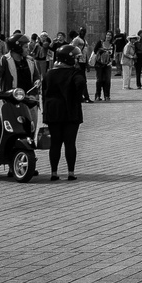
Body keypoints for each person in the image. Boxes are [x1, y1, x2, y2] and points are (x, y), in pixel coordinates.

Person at [41, 47, 84, 182]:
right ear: (69, 58)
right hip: (71, 113)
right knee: (70, 143)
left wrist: (45, 113)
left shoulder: (49, 74)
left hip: (53, 113)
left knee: (55, 144)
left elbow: (44, 94)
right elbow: (80, 85)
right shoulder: (74, 73)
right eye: (76, 58)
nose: (78, 60)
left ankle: (54, 173)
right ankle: (71, 172)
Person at [90, 36, 113, 101]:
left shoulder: (112, 44)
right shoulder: (100, 42)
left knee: (107, 80)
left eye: (110, 35)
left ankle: (107, 96)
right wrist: (101, 51)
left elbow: (112, 54)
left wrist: (110, 61)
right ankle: (97, 96)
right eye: (107, 35)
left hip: (107, 64)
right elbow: (95, 51)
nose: (108, 36)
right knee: (99, 79)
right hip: (99, 64)